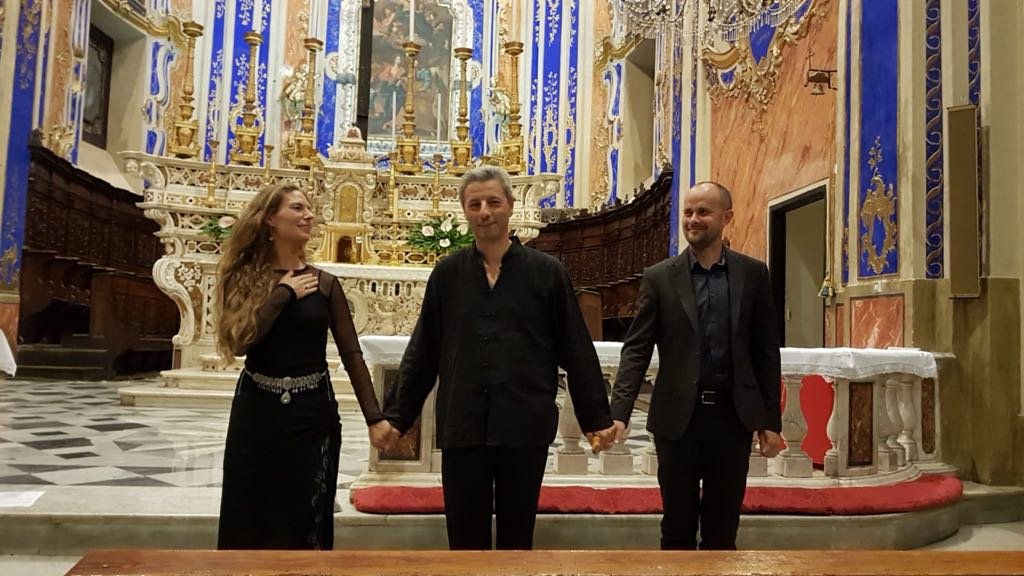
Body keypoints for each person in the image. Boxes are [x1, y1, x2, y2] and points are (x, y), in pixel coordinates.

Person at [381, 165, 616, 550]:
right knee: (464, 542)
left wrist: (596, 419)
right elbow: (423, 351)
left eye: (493, 202)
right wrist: (397, 418)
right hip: (463, 425)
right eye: (474, 204)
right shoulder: (447, 274)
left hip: (524, 425)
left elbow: (575, 348)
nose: (484, 212)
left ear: (509, 204)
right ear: (464, 210)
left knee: (517, 541)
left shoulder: (547, 273)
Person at [214, 182, 398, 550]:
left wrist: (374, 417)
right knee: (249, 513)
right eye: (297, 208)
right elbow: (240, 341)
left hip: (312, 414)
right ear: (270, 219)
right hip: (257, 412)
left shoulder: (325, 284)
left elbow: (352, 354)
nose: (309, 215)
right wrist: (283, 293)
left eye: (309, 208)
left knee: (306, 518)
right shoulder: (245, 277)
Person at [609, 181, 784, 550]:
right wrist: (619, 412)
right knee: (677, 529)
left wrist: (769, 420)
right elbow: (637, 349)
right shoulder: (660, 277)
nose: (693, 219)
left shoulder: (752, 274)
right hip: (678, 420)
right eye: (688, 212)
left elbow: (766, 351)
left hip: (732, 417)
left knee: (722, 531)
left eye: (703, 212)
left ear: (726, 217)